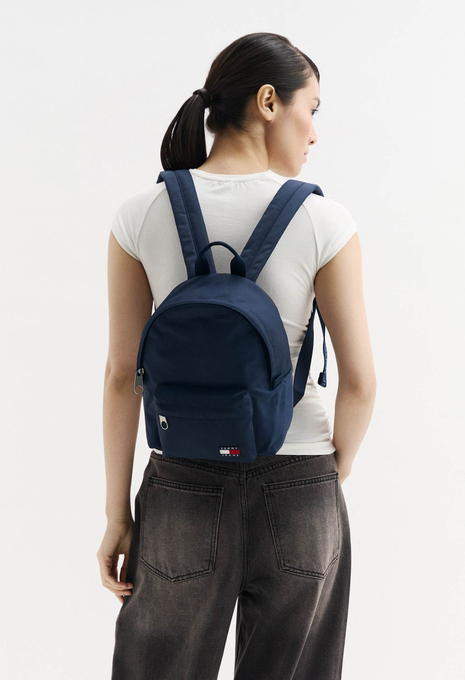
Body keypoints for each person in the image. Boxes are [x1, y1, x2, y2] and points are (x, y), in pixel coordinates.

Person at [98, 31, 376, 680]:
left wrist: (118, 513)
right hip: (300, 483)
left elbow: (120, 376)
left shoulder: (140, 214)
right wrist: (324, 477)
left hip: (182, 484)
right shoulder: (324, 221)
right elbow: (361, 382)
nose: (314, 133)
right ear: (268, 101)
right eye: (311, 109)